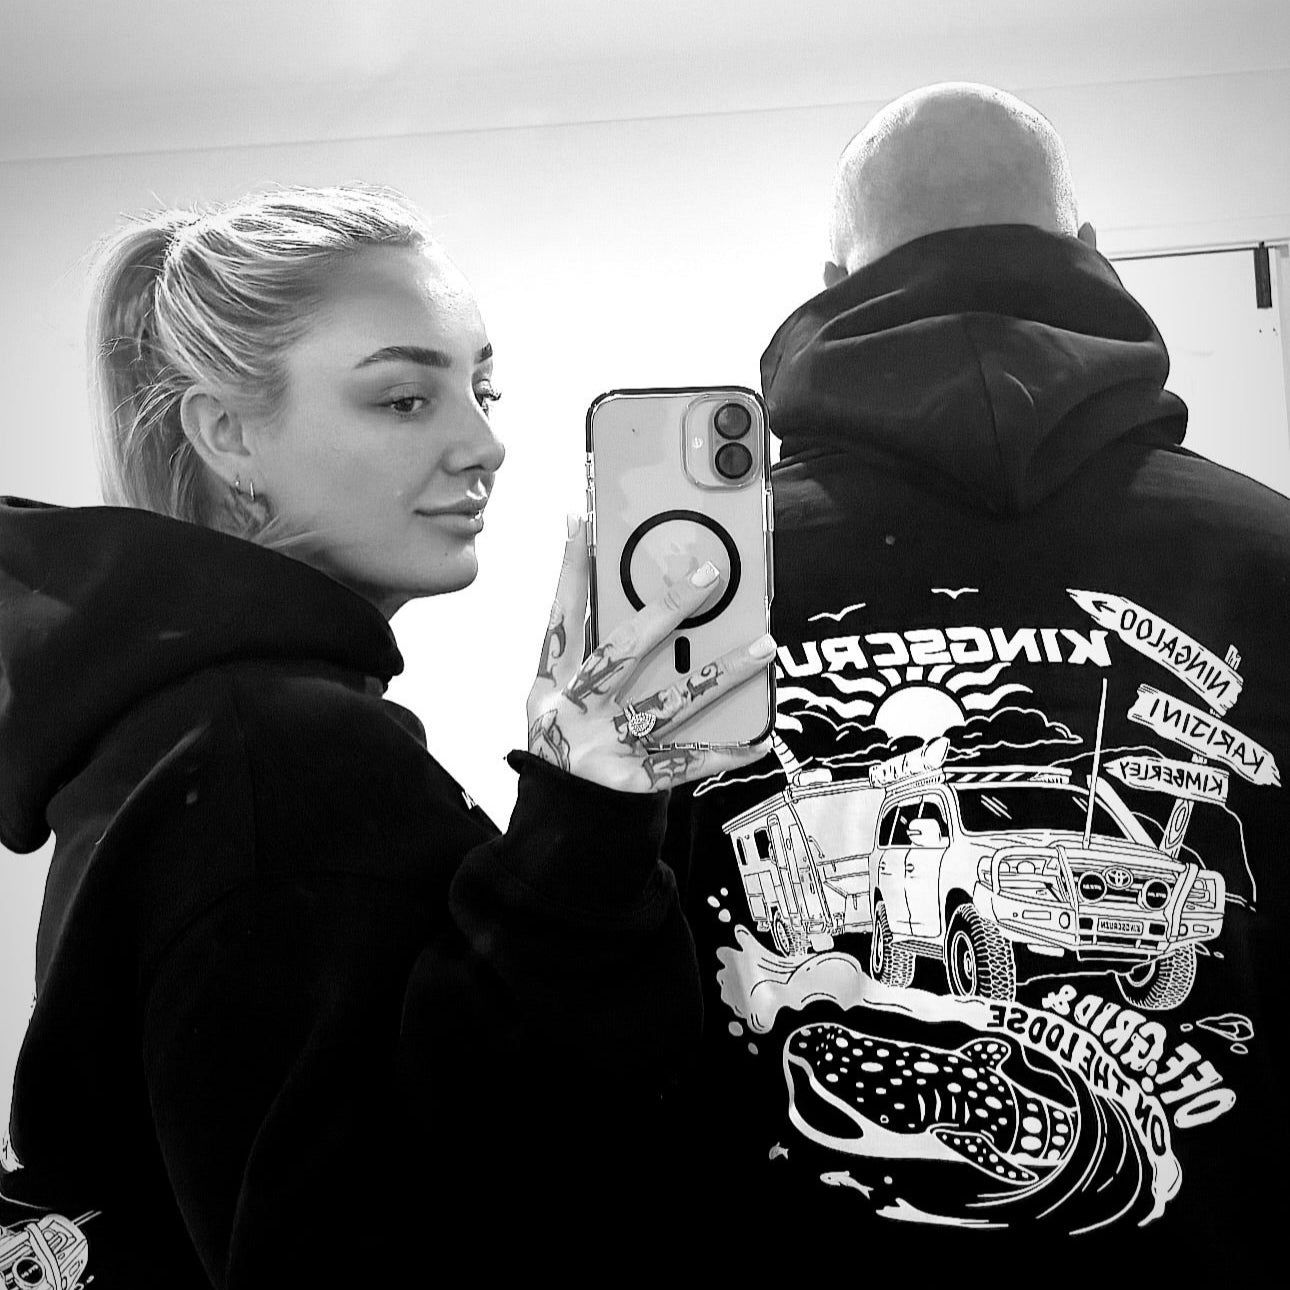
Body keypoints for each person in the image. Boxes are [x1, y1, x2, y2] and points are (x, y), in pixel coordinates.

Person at [0, 184, 775, 1285]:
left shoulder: (198, 728)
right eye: (406, 400)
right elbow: (391, 1247)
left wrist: (585, 815)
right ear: (228, 435)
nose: (485, 443)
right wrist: (580, 835)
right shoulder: (273, 751)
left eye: (483, 389)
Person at [661, 83, 1289, 1268]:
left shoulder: (694, 577)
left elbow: (606, 968)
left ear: (835, 277)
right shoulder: (1271, 549)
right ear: (1088, 248)